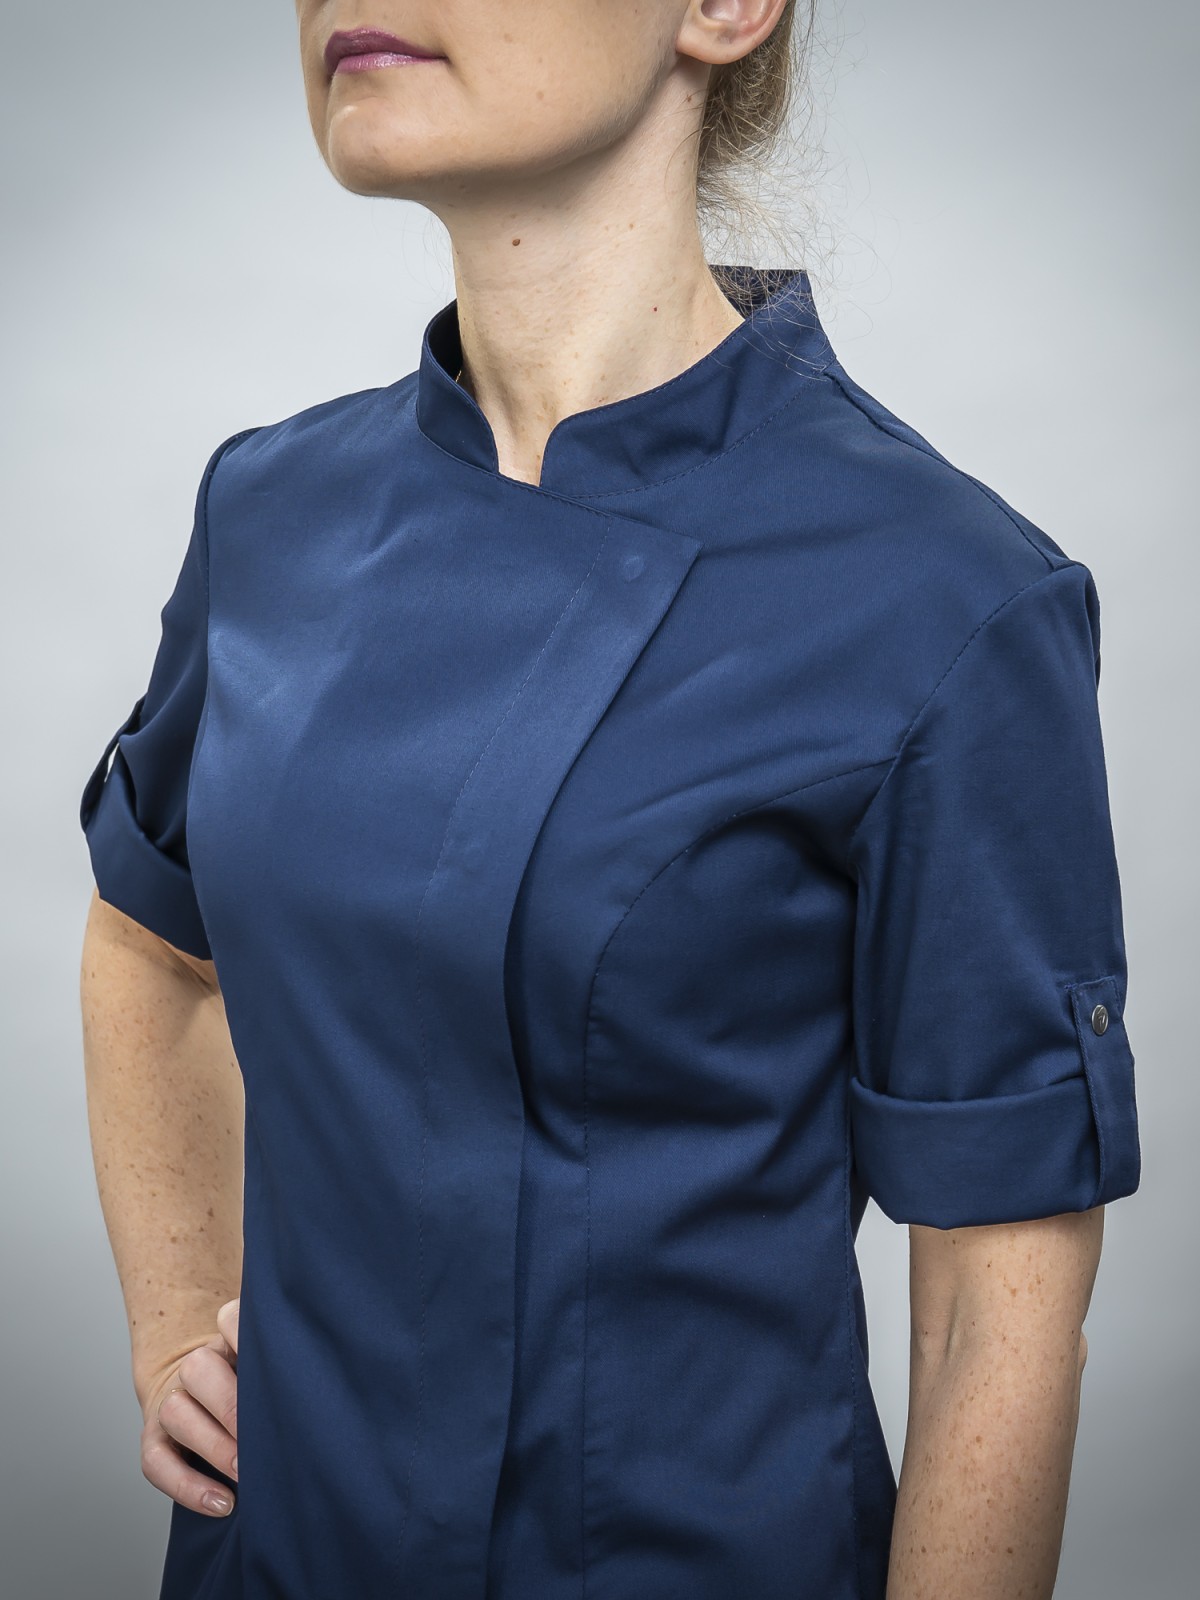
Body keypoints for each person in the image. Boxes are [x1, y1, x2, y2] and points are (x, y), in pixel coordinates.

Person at [77, 3, 1142, 1598]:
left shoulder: (948, 600)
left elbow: (993, 1306)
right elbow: (151, 943)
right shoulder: (267, 509)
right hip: (281, 1554)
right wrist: (177, 1323)